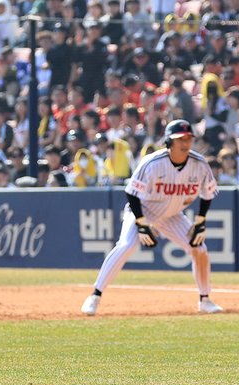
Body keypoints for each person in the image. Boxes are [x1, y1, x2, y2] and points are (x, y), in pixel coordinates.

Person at [82, 120, 221, 316]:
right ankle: (95, 296)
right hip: (143, 209)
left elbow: (207, 193)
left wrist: (200, 221)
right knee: (126, 245)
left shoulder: (199, 164)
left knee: (200, 249)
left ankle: (205, 300)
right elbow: (132, 193)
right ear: (169, 141)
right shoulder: (152, 163)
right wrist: (141, 223)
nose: (185, 143)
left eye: (188, 138)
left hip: (172, 215)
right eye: (180, 139)